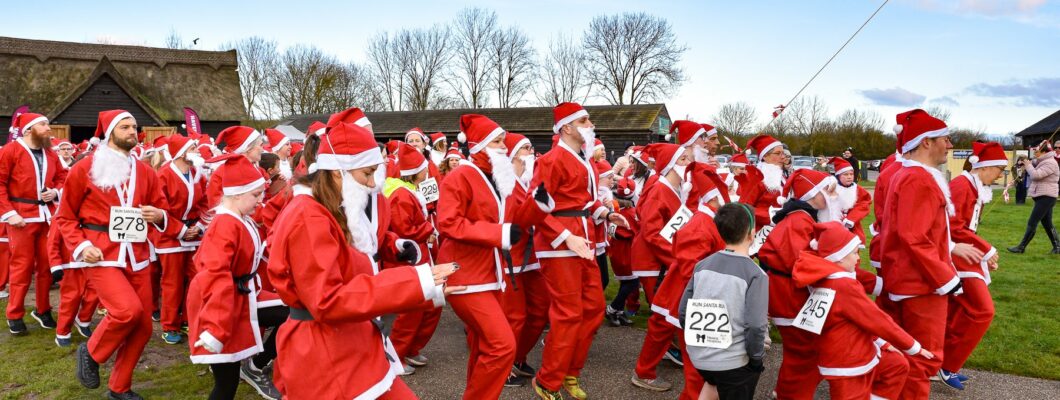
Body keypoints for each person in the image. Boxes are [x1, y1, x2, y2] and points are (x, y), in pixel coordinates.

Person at [267, 121, 457, 399]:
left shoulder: (328, 208)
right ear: (337, 173)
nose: (372, 183)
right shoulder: (309, 217)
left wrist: (414, 276)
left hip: (347, 341)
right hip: (327, 353)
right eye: (367, 173)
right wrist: (416, 282)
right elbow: (328, 300)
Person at [56, 110, 171, 400]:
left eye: (134, 126)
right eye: (125, 126)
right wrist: (81, 247)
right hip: (101, 253)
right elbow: (65, 217)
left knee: (143, 326)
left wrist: (158, 214)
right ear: (110, 132)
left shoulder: (146, 171)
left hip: (137, 253)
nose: (133, 131)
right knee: (126, 311)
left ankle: (119, 388)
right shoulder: (84, 168)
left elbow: (160, 207)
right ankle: (92, 353)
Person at [436, 114, 551, 399]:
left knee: (483, 345)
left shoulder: (499, 178)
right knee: (502, 346)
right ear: (481, 146)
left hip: (491, 275)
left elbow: (516, 222)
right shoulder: (460, 175)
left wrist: (538, 204)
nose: (504, 146)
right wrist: (496, 234)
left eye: (503, 141)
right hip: (465, 275)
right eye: (498, 141)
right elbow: (448, 223)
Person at [881, 108, 984, 399]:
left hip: (909, 279)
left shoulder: (908, 174)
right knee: (923, 358)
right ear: (927, 142)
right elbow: (914, 235)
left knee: (908, 354)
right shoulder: (919, 178)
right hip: (921, 283)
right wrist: (945, 277)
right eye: (945, 138)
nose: (950, 145)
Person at [530, 102, 628, 400]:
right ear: (567, 127)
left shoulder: (582, 159)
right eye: (585, 120)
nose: (591, 124)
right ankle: (548, 380)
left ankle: (570, 371)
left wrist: (605, 214)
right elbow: (535, 207)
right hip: (560, 248)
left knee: (594, 310)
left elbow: (583, 202)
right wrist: (564, 236)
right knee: (568, 314)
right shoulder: (550, 159)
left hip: (583, 243)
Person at [792, 222, 933, 400]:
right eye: (854, 253)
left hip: (853, 350)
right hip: (848, 360)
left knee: (896, 365)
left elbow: (859, 318)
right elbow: (876, 319)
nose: (858, 258)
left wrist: (884, 344)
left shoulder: (825, 278)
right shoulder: (843, 285)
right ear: (840, 258)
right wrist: (912, 346)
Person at [186, 154, 283, 400]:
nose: (260, 201)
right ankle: (255, 365)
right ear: (238, 194)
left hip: (242, 295)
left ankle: (256, 364)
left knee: (292, 311)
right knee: (226, 382)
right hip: (221, 303)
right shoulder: (225, 225)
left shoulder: (240, 218)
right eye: (256, 195)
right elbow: (215, 276)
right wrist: (216, 327)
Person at [632, 162, 727, 398]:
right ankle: (649, 375)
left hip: (681, 292)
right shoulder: (703, 223)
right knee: (696, 356)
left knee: (664, 332)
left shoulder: (707, 220)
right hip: (688, 295)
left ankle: (646, 372)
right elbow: (690, 266)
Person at [679, 202, 767, 400]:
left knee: (712, 384)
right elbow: (755, 325)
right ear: (752, 234)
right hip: (734, 362)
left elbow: (684, 311)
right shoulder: (756, 274)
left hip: (700, 358)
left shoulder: (702, 266)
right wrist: (756, 358)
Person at [940, 141, 1006, 389]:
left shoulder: (970, 185)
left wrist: (983, 252)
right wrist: (986, 250)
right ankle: (947, 365)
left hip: (964, 254)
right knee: (982, 310)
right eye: (999, 169)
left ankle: (942, 361)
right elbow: (954, 227)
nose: (1001, 175)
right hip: (957, 255)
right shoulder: (962, 185)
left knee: (958, 312)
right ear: (986, 167)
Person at [0, 112, 66, 335]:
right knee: (22, 266)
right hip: (20, 217)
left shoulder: (50, 153)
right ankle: (14, 313)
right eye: (44, 124)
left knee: (47, 266)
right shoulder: (10, 151)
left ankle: (43, 309)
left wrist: (55, 191)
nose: (49, 128)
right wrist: (9, 213)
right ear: (29, 129)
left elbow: (62, 177)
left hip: (46, 216)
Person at [383, 143, 443, 376]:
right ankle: (397, 354)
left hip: (422, 255)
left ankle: (411, 347)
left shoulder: (410, 191)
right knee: (413, 310)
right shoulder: (400, 195)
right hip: (412, 257)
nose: (427, 171)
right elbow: (403, 228)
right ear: (416, 172)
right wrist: (427, 229)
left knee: (431, 305)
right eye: (424, 168)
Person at [498, 132, 552, 386]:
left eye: (531, 147)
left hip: (531, 257)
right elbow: (510, 223)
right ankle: (503, 366)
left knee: (541, 309)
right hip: (511, 258)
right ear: (512, 155)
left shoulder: (527, 182)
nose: (532, 152)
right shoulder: (503, 185)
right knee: (515, 316)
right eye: (526, 148)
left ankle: (518, 356)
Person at [154, 134, 208, 345]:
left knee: (196, 279)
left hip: (194, 232)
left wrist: (199, 226)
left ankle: (187, 318)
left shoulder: (197, 173)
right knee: (172, 283)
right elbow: (160, 208)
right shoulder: (164, 175)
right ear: (181, 152)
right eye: (193, 146)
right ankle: (169, 325)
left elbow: (205, 201)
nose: (197, 149)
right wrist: (181, 230)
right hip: (170, 235)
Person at [631, 143, 688, 305]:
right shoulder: (659, 191)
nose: (687, 163)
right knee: (663, 314)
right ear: (671, 164)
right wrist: (675, 256)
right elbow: (651, 232)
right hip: (654, 263)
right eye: (682, 159)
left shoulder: (677, 189)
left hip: (664, 260)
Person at [1007, 140, 1058, 254]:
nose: (1034, 152)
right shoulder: (1043, 161)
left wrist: (1028, 165)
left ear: (1043, 151)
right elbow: (1033, 163)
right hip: (1044, 196)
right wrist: (1024, 162)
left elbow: (1036, 175)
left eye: (1036, 150)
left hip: (1047, 196)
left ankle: (1021, 247)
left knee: (1032, 222)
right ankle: (1057, 247)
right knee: (1047, 223)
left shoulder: (1050, 163)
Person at [605, 176, 639, 327]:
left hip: (617, 252)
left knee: (626, 282)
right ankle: (612, 308)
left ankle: (618, 310)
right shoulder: (631, 213)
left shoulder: (613, 210)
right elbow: (635, 233)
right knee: (632, 282)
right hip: (627, 253)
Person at [740, 135, 787, 229]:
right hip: (758, 233)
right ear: (765, 156)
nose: (783, 157)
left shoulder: (781, 177)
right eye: (778, 153)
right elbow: (743, 208)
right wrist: (770, 216)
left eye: (783, 153)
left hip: (778, 230)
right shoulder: (756, 179)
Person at [829, 157, 872, 243]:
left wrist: (851, 218)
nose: (849, 177)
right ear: (838, 176)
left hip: (851, 226)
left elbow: (864, 203)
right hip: (833, 224)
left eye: (851, 174)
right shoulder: (831, 188)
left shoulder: (857, 189)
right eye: (845, 174)